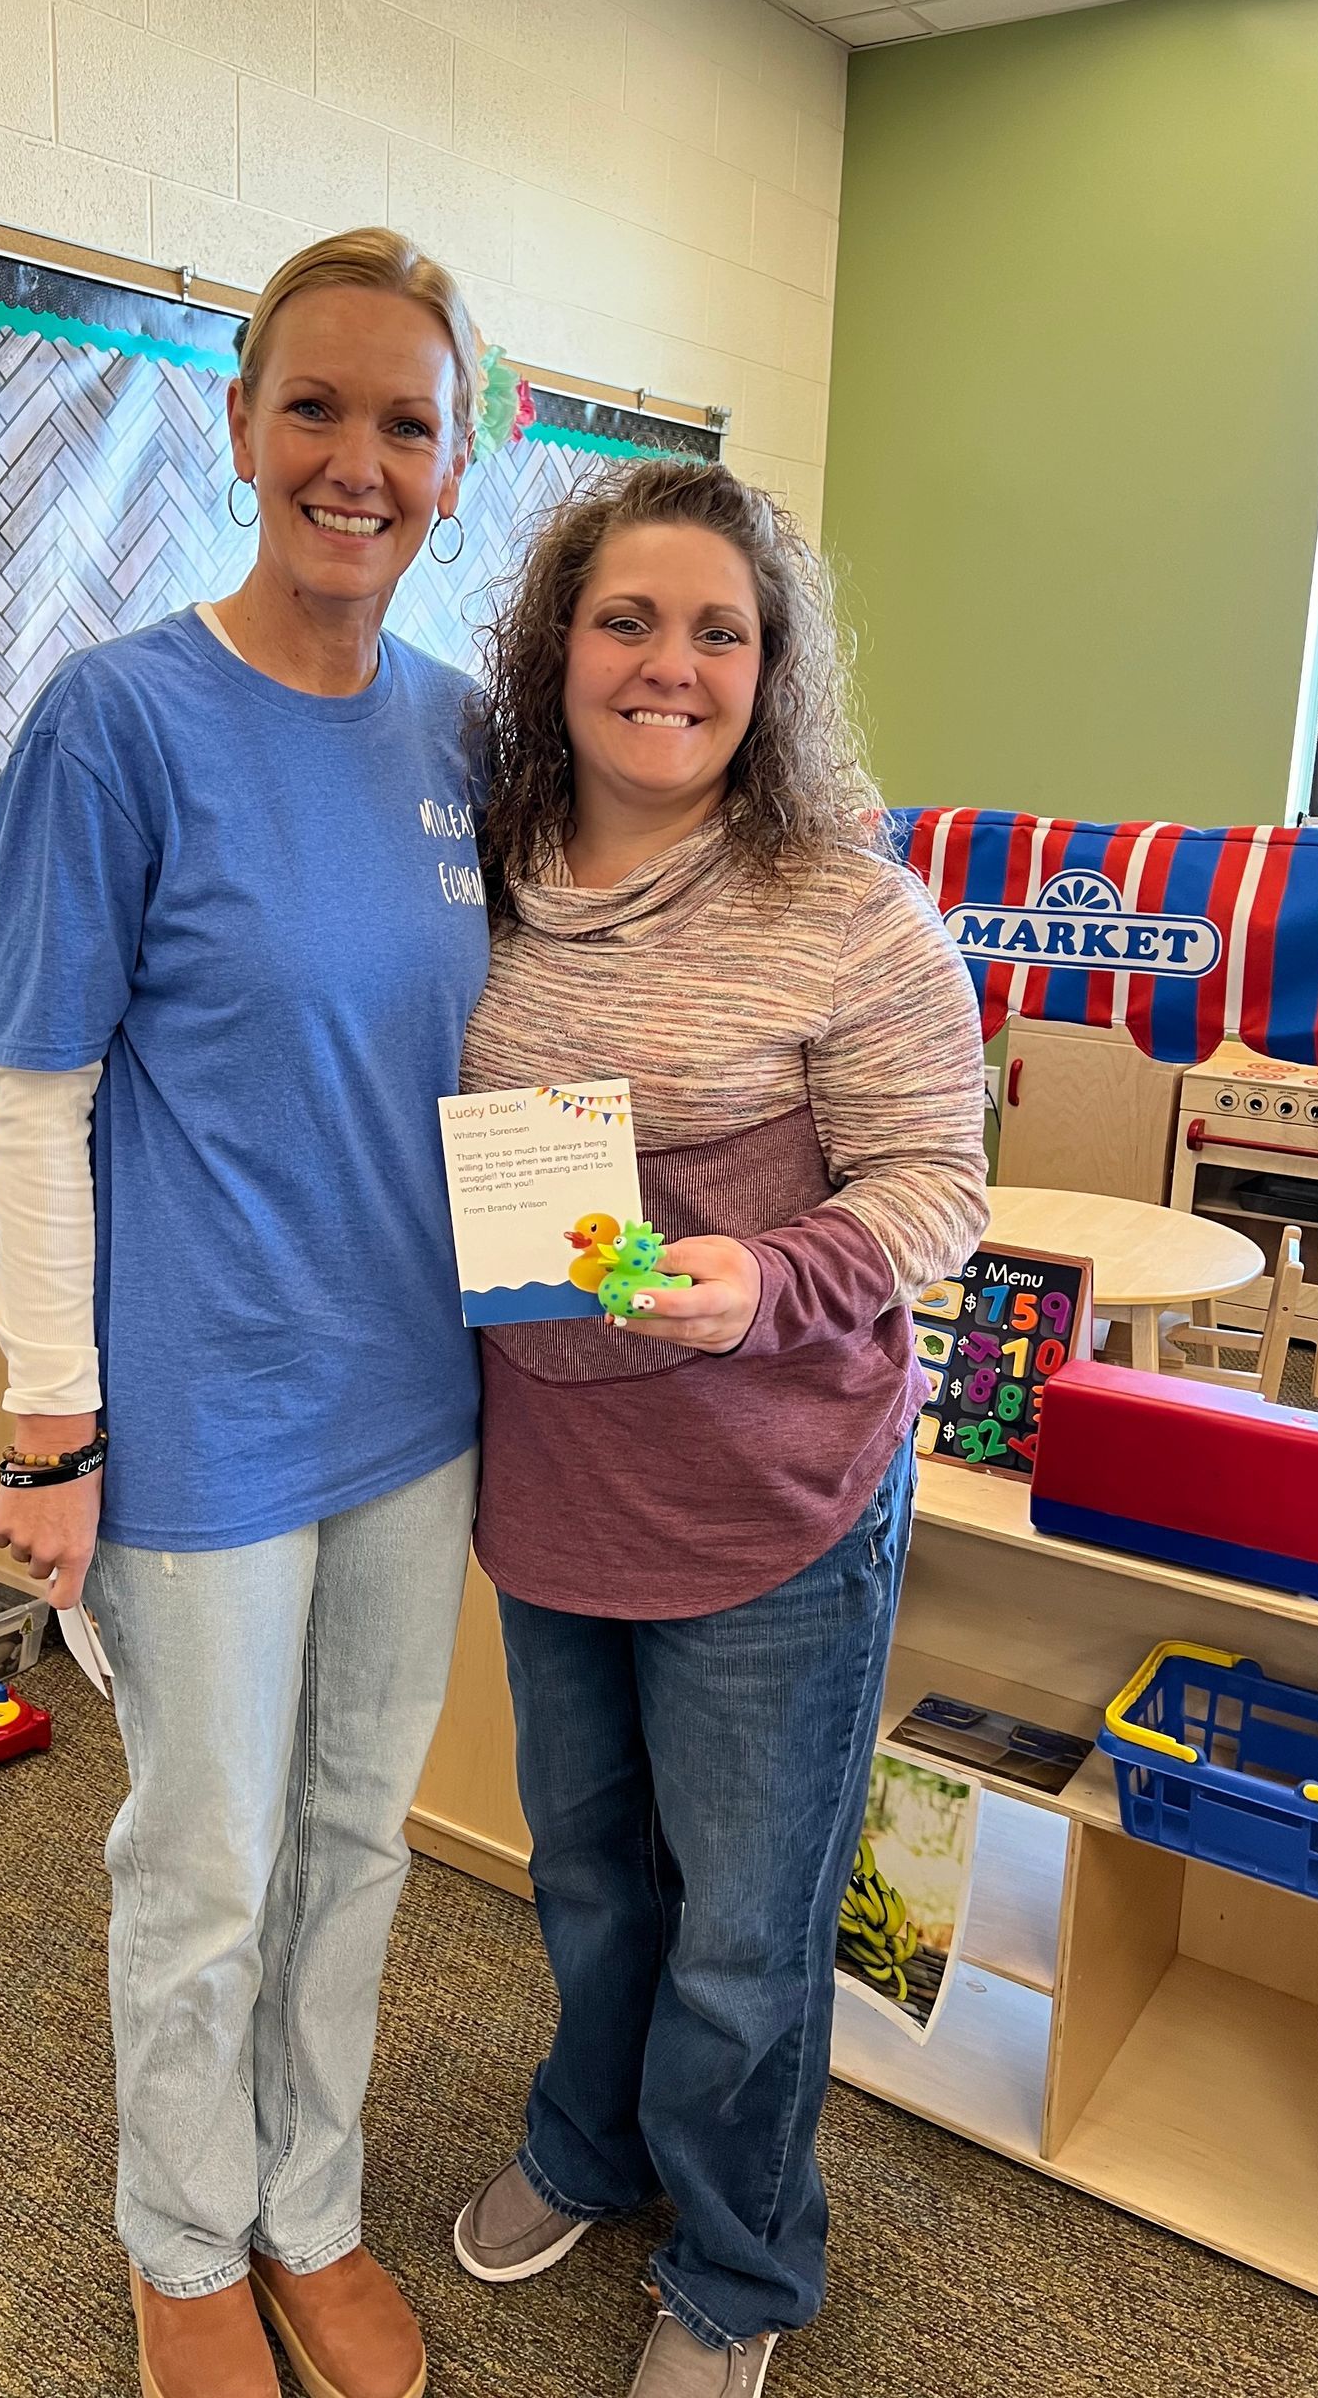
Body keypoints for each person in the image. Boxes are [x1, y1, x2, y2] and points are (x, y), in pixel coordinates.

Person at [0, 229, 489, 2398]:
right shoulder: (118, 717)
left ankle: (310, 2200)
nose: (354, 459)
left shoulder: (471, 735)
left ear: (466, 460)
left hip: (415, 1399)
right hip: (199, 1404)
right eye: (317, 407)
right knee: (205, 1853)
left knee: (360, 1838)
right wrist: (51, 1423)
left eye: (405, 423)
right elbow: (39, 1093)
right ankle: (183, 2235)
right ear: (240, 419)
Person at [447, 457, 988, 2398]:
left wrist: (768, 1272)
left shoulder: (843, 904)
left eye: (718, 629)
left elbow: (937, 1178)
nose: (669, 662)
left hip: (773, 1502)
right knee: (592, 1873)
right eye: (626, 618)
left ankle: (746, 2263)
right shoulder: (478, 865)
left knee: (749, 1934)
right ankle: (591, 2145)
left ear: (770, 669)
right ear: (556, 641)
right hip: (559, 1490)